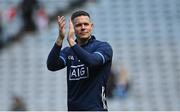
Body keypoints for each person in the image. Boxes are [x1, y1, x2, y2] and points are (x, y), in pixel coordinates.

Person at [47, 10, 113, 111]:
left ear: (91, 26)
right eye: (78, 25)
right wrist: (60, 38)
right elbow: (51, 65)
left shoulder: (103, 47)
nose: (83, 27)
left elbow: (92, 62)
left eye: (86, 24)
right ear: (72, 28)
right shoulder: (68, 51)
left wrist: (72, 43)